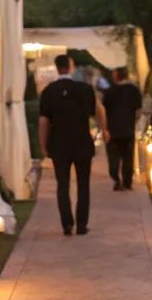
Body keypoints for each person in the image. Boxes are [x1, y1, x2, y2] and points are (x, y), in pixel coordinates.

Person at [38, 54, 106, 235]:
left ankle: (67, 224)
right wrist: (103, 130)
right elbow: (99, 111)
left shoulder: (48, 92)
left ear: (56, 67)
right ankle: (82, 225)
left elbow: (44, 122)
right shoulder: (85, 89)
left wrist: (43, 145)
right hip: (82, 143)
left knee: (62, 184)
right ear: (71, 66)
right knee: (83, 184)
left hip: (59, 144)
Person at [102, 65, 142, 191]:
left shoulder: (109, 91)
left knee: (113, 158)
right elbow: (138, 110)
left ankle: (116, 179)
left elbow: (103, 112)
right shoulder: (134, 90)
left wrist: (104, 128)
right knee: (128, 157)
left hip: (112, 130)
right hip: (128, 129)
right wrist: (133, 122)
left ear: (116, 75)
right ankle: (127, 182)